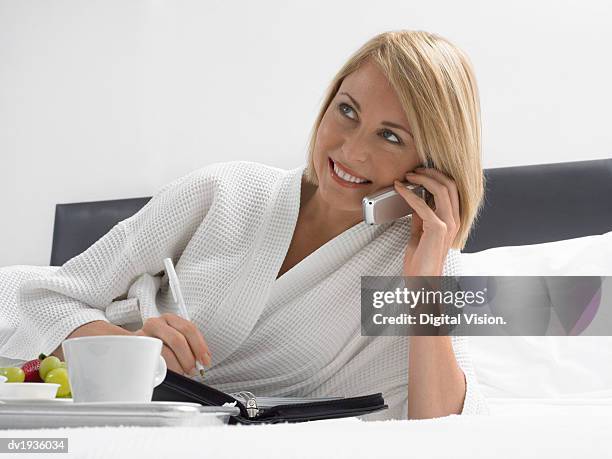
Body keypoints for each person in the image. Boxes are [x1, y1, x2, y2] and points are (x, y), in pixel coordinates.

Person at [0, 30, 487, 420]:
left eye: (390, 136)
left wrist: (426, 278)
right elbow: (48, 296)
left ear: (431, 162)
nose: (352, 151)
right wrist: (128, 351)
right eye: (347, 111)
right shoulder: (225, 190)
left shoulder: (421, 266)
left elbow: (440, 426)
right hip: (89, 390)